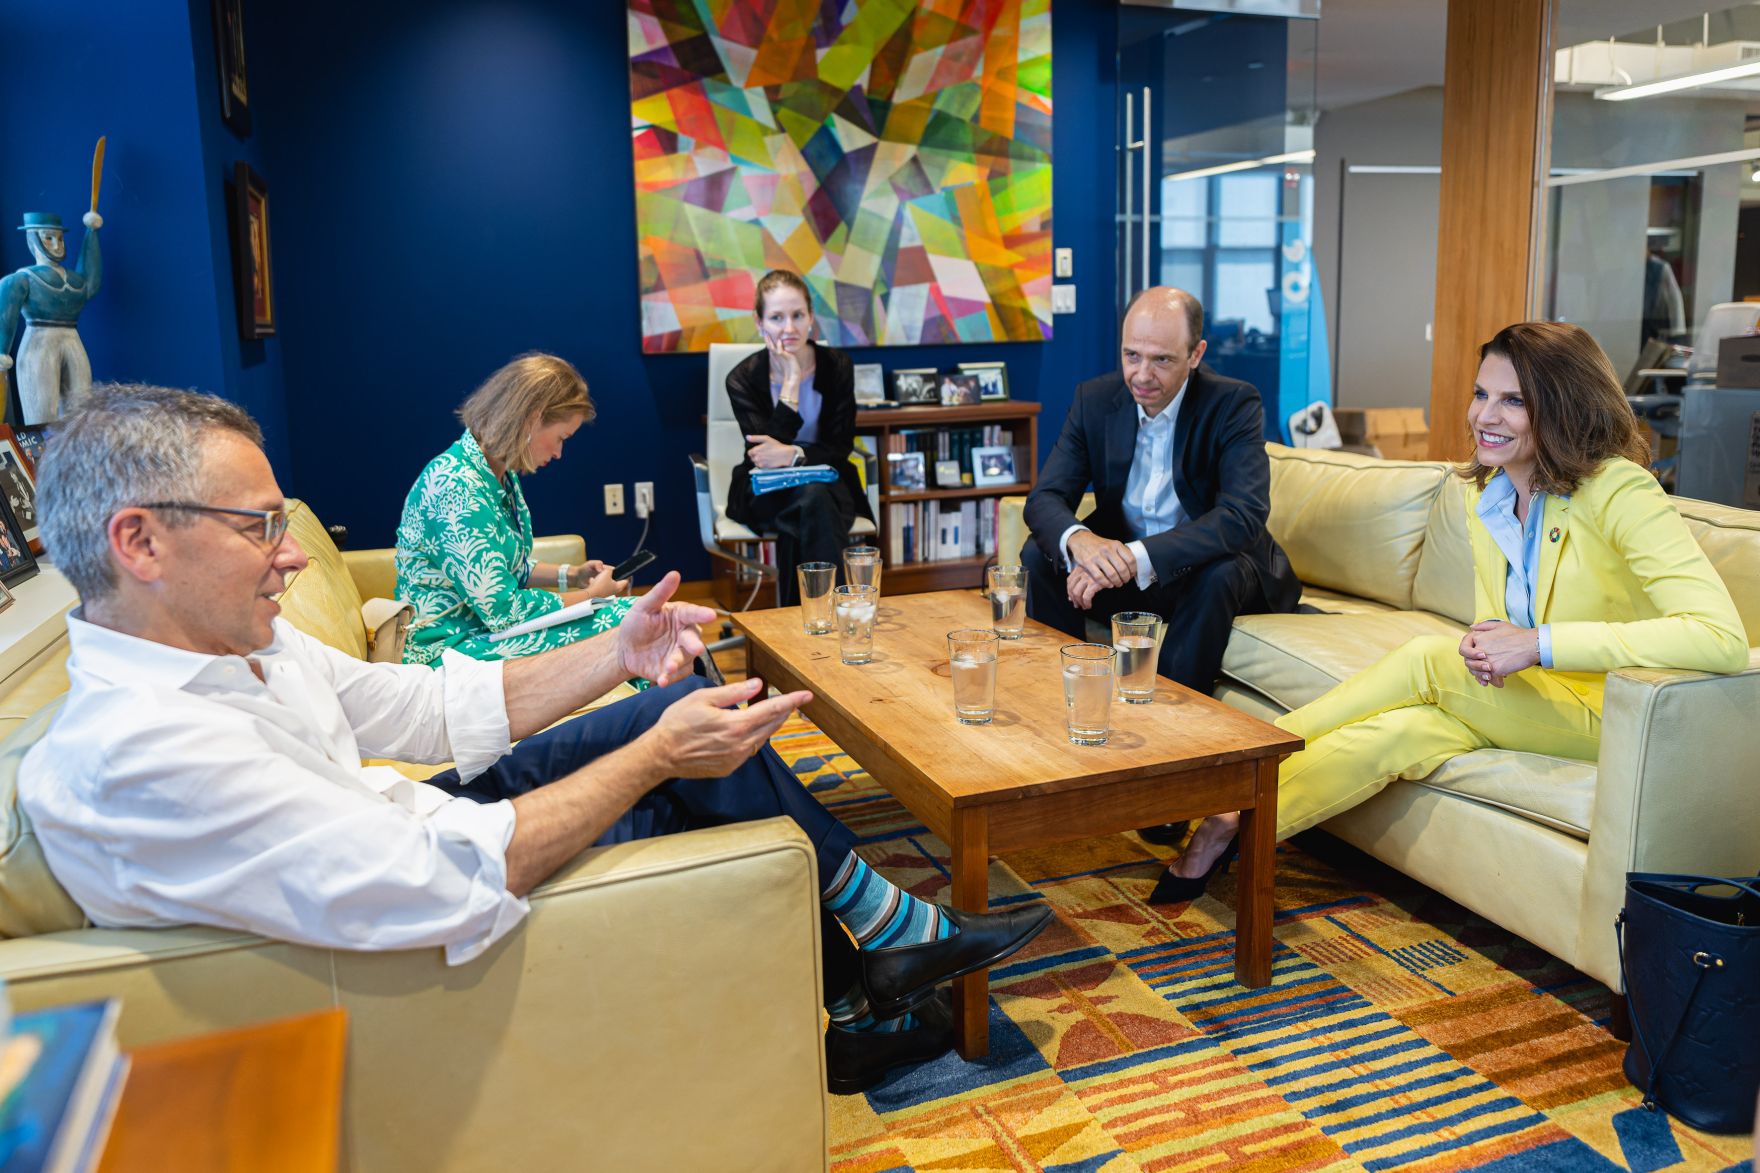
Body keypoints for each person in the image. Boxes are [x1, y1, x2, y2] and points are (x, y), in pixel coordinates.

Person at [20, 384, 1053, 1093]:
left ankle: (875, 960)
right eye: (259, 527)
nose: (291, 556)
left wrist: (617, 656)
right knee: (679, 754)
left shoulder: (241, 646)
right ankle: (879, 960)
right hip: (432, 901)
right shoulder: (136, 755)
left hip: (424, 822)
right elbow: (434, 881)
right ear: (139, 541)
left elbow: (418, 713)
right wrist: (651, 757)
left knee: (666, 703)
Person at [1157, 322, 1748, 902]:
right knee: (1400, 730)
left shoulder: (1621, 492)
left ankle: (1241, 767)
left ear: (1565, 406)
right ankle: (1233, 826)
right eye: (1481, 394)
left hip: (1611, 713)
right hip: (1530, 698)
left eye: (1514, 401)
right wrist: (1494, 648)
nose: (1485, 416)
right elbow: (1496, 626)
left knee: (1424, 660)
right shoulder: (1489, 494)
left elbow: (1718, 637)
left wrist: (1537, 643)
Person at [1023, 285, 1300, 694]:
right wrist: (1083, 543)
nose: (1141, 375)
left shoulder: (1233, 404)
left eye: (1162, 360)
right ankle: (1067, 692)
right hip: (1128, 578)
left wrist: (1134, 558)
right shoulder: (1094, 401)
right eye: (1131, 355)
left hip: (1200, 572)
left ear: (1196, 354)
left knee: (1220, 573)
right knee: (1041, 552)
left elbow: (1243, 516)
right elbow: (1044, 498)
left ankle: (1171, 720)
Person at [396, 353, 634, 667]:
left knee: (632, 619)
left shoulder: (496, 474)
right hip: (446, 648)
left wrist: (573, 576)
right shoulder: (455, 488)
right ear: (532, 419)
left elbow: (510, 570)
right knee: (627, 621)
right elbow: (504, 613)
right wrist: (591, 597)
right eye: (561, 438)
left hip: (482, 631)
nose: (560, 452)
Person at [725, 270, 871, 605]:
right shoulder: (742, 379)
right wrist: (791, 382)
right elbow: (763, 455)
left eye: (797, 316)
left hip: (827, 481)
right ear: (759, 322)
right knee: (811, 501)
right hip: (766, 489)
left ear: (811, 319)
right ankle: (831, 609)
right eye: (776, 317)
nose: (788, 328)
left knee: (811, 499)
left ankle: (800, 619)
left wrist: (793, 456)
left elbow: (840, 447)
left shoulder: (837, 366)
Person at [0, 211, 103, 424]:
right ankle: (42, 456)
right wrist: (2, 352)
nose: (57, 244)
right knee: (41, 415)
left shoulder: (74, 280)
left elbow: (90, 283)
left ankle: (76, 454)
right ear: (32, 239)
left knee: (81, 411)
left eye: (60, 238)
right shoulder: (22, 279)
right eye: (49, 237)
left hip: (72, 340)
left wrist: (91, 233)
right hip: (39, 343)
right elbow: (6, 314)